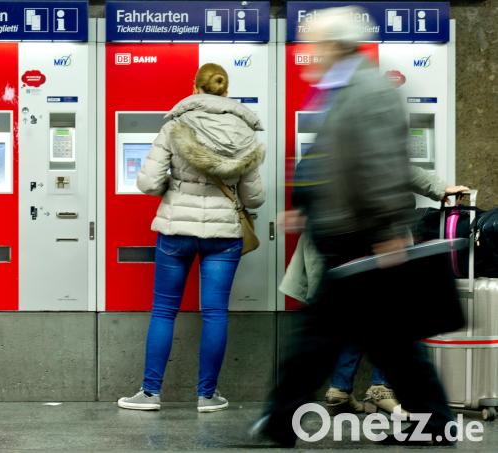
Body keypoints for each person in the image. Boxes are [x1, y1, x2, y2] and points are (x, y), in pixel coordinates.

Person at [250, 7, 456, 446]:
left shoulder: (368, 91)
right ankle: (434, 423)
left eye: (316, 44)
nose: (311, 52)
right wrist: (305, 204)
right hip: (345, 235)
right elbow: (327, 160)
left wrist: (386, 229)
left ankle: (280, 419)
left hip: (361, 238)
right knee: (388, 340)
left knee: (325, 338)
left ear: (335, 45)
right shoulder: (341, 90)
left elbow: (383, 164)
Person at [117, 63, 265, 413]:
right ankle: (207, 395)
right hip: (223, 235)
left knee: (164, 310)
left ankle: (150, 394)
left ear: (195, 88)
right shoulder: (245, 131)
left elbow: (149, 182)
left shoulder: (175, 124)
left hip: (176, 230)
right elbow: (255, 197)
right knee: (215, 313)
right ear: (226, 92)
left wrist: (178, 188)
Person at [281, 168, 469, 417]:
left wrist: (302, 207)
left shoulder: (332, 140)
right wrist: (438, 188)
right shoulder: (366, 137)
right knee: (391, 320)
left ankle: (337, 391)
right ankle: (382, 391)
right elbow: (397, 164)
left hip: (338, 242)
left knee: (353, 319)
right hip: (374, 238)